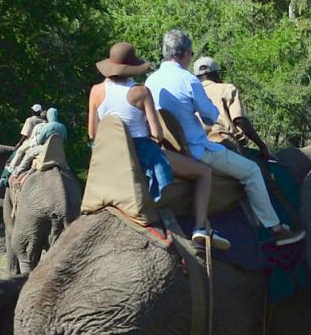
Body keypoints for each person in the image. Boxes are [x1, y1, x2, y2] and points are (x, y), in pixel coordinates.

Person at [147, 29, 305, 246]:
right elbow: (210, 116)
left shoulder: (150, 81)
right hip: (197, 151)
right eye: (191, 53)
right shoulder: (188, 80)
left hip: (171, 151)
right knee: (252, 171)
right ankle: (276, 229)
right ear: (184, 53)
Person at [89, 41, 229, 251]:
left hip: (108, 157)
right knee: (203, 173)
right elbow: (156, 133)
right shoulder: (140, 92)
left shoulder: (96, 91)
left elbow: (92, 133)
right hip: (140, 153)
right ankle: (200, 227)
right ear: (132, 67)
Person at [192, 56, 274, 160]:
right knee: (253, 172)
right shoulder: (227, 88)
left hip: (198, 146)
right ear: (216, 74)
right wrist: (262, 146)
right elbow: (239, 120)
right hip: (225, 142)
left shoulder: (191, 94)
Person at [0, 108, 67, 187]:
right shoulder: (63, 127)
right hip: (59, 151)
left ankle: (17, 171)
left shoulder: (47, 126)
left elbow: (39, 140)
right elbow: (64, 138)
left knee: (29, 154)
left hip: (45, 149)